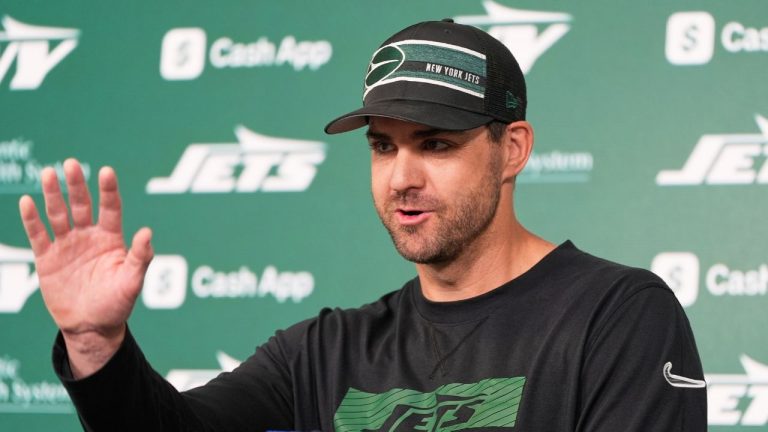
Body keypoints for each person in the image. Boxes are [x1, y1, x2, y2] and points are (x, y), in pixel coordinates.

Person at [18, 19, 707, 431]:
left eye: (435, 143)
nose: (402, 175)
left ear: (513, 150)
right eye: (383, 146)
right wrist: (94, 345)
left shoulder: (618, 316)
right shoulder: (322, 350)